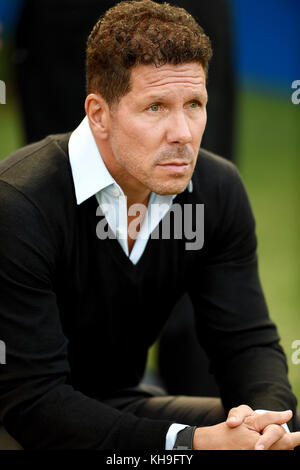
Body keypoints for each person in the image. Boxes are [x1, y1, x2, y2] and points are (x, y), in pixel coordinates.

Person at [0, 0, 299, 450]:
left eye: (194, 104)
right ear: (98, 114)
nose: (182, 132)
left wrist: (264, 418)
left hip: (118, 405)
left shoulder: (216, 190)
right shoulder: (19, 203)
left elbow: (246, 342)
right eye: (156, 107)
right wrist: (188, 444)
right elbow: (33, 404)